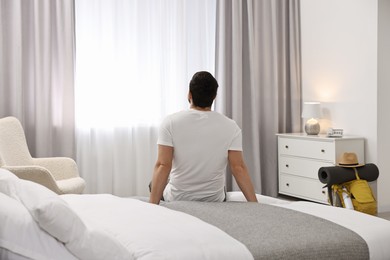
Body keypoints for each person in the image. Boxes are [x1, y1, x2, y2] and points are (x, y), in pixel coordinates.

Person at [149, 71, 258, 204]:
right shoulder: (231, 126)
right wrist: (254, 205)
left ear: (189, 94)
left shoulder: (170, 122)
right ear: (214, 96)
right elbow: (238, 168)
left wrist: (152, 207)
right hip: (214, 198)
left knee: (152, 184)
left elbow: (163, 165)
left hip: (178, 197)